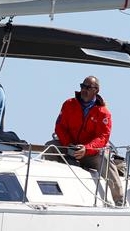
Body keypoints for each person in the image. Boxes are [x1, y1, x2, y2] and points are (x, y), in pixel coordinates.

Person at [46, 76, 124, 205]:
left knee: (105, 159)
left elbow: (103, 137)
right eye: (83, 86)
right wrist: (69, 145)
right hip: (69, 147)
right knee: (50, 147)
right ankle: (49, 190)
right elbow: (60, 127)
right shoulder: (69, 104)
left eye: (88, 87)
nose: (84, 90)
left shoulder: (103, 112)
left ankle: (119, 201)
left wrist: (86, 149)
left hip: (90, 153)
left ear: (96, 90)